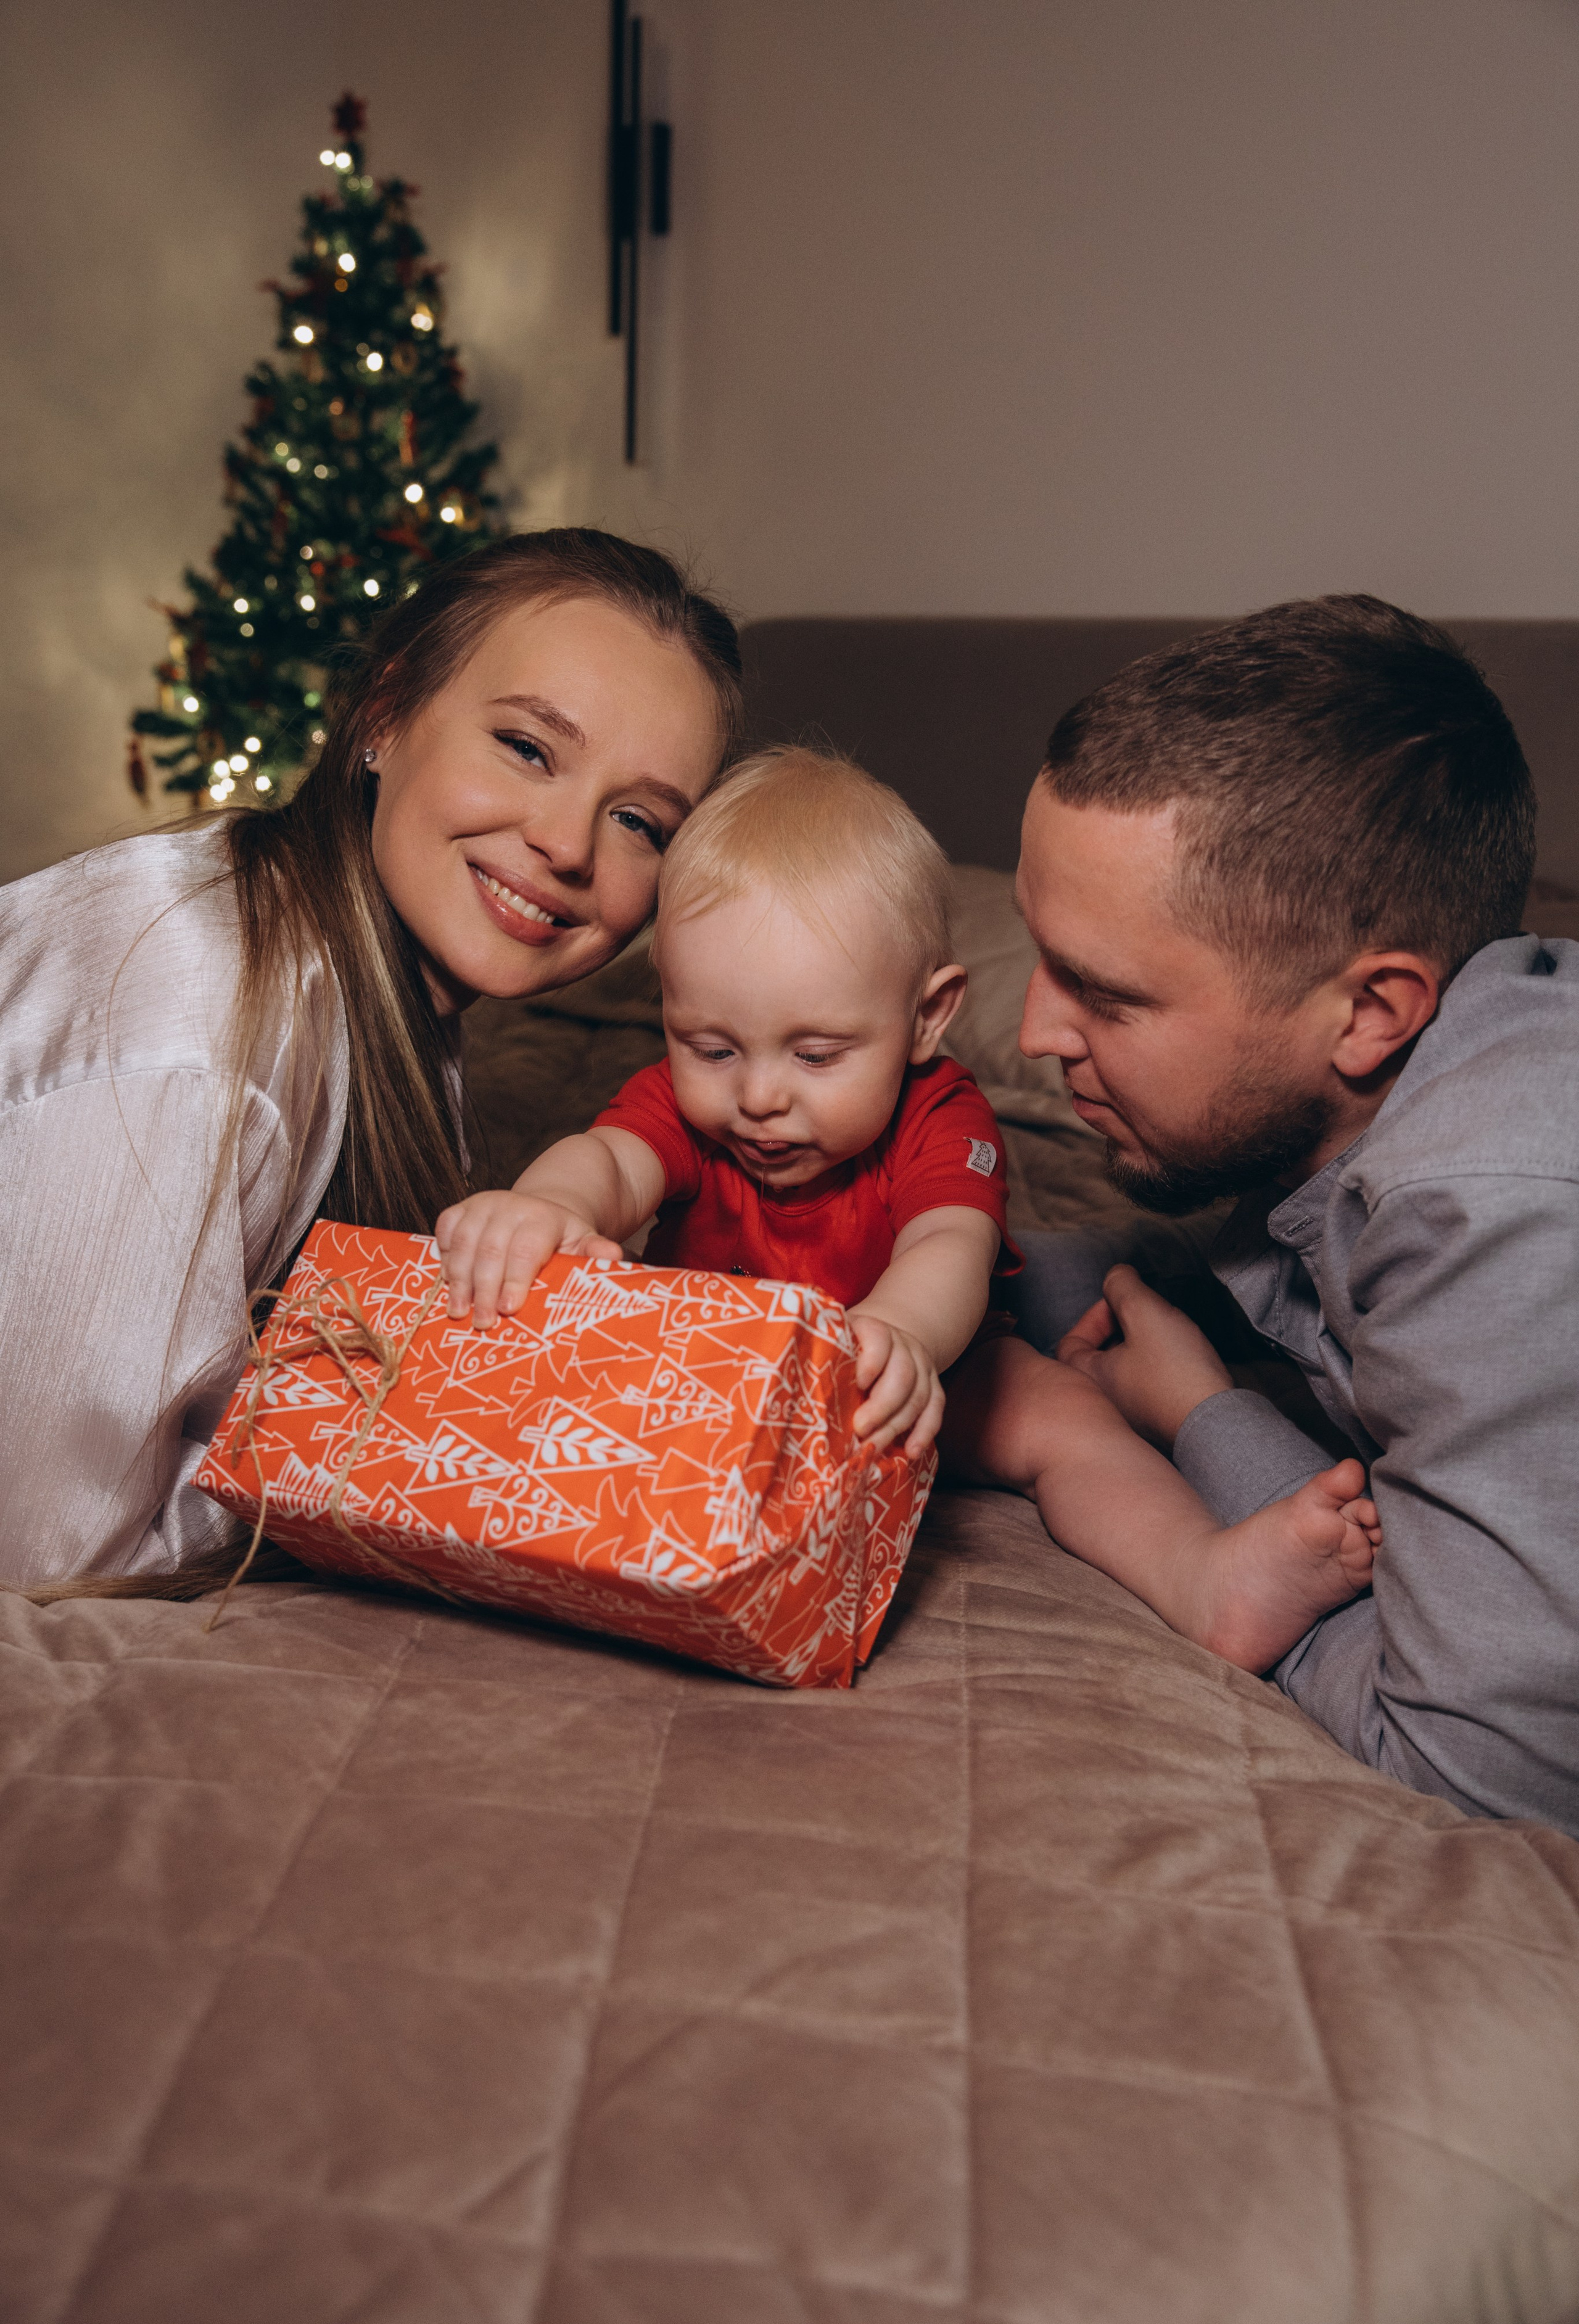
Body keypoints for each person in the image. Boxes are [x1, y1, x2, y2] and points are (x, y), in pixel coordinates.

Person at [437, 749, 1380, 1628]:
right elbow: (606, 1161)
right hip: (719, 1375)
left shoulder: (942, 1116)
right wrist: (548, 1206)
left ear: (926, 1017)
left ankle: (1203, 1578)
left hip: (911, 1374)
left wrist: (903, 1337)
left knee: (1066, 1425)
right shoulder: (689, 1113)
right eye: (711, 1046)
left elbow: (949, 1248)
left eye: (816, 1053)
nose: (759, 1097)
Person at [4, 529, 741, 1593]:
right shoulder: (204, 1033)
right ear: (386, 714)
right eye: (528, 749)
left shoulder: (385, 995)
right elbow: (53, 1553)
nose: (571, 846)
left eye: (639, 821)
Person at [973, 593, 1579, 1833]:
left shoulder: (1489, 1206)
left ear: (1368, 1013)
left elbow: (1467, 1765)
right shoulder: (1377, 1104)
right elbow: (1188, 1272)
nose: (1035, 1036)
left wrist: (1199, 1413)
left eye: (1105, 994)